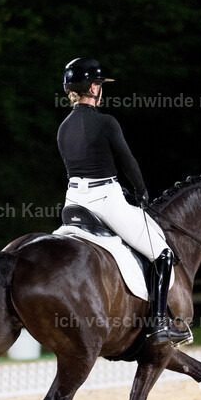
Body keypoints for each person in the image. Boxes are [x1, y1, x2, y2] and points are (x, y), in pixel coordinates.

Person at [57, 57, 189, 345]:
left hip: (73, 203)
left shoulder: (63, 127)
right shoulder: (106, 122)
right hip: (105, 200)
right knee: (162, 253)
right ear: (93, 88)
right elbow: (127, 161)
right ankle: (157, 323)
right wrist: (141, 191)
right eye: (99, 85)